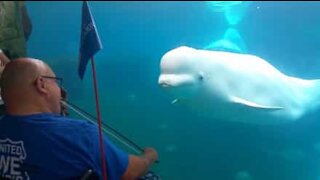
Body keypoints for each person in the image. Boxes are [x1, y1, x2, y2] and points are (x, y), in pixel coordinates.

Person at [0, 58, 159, 180]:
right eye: (56, 82)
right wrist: (149, 156)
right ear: (41, 84)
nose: (61, 90)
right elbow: (130, 172)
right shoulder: (80, 133)